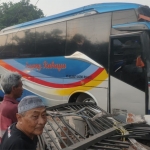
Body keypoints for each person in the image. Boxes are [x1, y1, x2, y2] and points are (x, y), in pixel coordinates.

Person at [0, 72, 23, 142]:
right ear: (14, 88)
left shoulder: (3, 104)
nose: (22, 89)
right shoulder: (13, 108)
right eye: (21, 86)